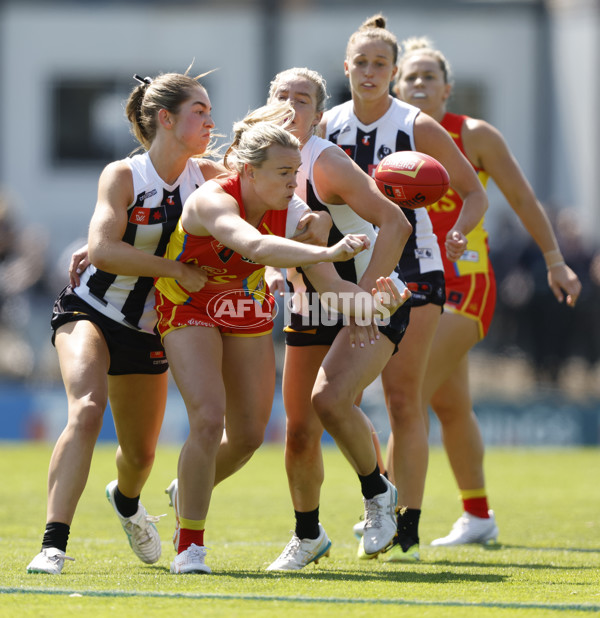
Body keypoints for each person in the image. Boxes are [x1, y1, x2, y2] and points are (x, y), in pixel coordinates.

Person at [154, 104, 410, 575]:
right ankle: (189, 546)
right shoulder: (215, 198)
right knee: (209, 418)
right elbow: (252, 245)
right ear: (248, 171)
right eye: (284, 173)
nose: (295, 184)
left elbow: (333, 289)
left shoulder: (294, 212)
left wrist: (380, 305)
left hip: (245, 304)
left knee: (249, 435)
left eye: (297, 172)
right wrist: (326, 247)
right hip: (188, 302)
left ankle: (183, 492)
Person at [25, 70, 226, 575]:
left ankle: (128, 500)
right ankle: (52, 544)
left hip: (150, 330)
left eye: (208, 110)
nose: (210, 120)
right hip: (90, 308)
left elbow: (272, 182)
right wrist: (174, 269)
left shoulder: (211, 176)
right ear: (165, 118)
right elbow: (103, 250)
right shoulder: (123, 175)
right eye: (198, 111)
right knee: (88, 410)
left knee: (138, 458)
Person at [390, 36, 581, 545]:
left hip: (466, 286)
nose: (421, 84)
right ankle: (477, 516)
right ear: (397, 85)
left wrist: (555, 260)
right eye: (411, 76)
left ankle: (387, 511)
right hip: (409, 284)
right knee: (449, 406)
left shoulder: (474, 136)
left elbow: (522, 198)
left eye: (430, 76)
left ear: (448, 88)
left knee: (406, 396)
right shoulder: (390, 140)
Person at [322, 15, 488, 562]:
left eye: (380, 64)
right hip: (347, 276)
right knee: (337, 397)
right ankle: (378, 497)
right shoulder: (326, 127)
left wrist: (460, 229)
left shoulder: (416, 125)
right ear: (346, 67)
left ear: (393, 72)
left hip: (417, 273)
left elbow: (472, 192)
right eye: (360, 63)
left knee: (403, 398)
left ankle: (408, 526)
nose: (369, 72)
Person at [261, 67, 414, 571]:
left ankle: (378, 494)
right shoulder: (250, 160)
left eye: (301, 99)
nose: (289, 104)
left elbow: (396, 221)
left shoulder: (325, 162)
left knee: (329, 399)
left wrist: (365, 297)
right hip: (311, 304)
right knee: (300, 431)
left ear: (319, 115)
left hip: (368, 298)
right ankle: (308, 536)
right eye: (280, 95)